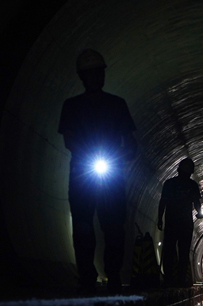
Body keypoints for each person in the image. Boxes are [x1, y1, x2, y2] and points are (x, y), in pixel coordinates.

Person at [58, 49, 137, 292]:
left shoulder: (117, 104)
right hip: (82, 172)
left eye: (99, 73)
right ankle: (86, 274)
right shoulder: (71, 106)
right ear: (82, 77)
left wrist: (125, 155)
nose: (96, 78)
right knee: (82, 224)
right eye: (90, 74)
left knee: (114, 226)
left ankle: (112, 272)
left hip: (111, 172)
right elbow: (69, 140)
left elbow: (131, 142)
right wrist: (87, 152)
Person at [157, 158, 203, 287]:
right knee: (183, 252)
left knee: (169, 251)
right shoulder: (192, 185)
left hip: (172, 222)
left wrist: (159, 219)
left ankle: (169, 280)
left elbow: (163, 202)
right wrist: (199, 213)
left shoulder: (169, 183)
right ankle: (181, 280)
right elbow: (196, 202)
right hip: (185, 223)